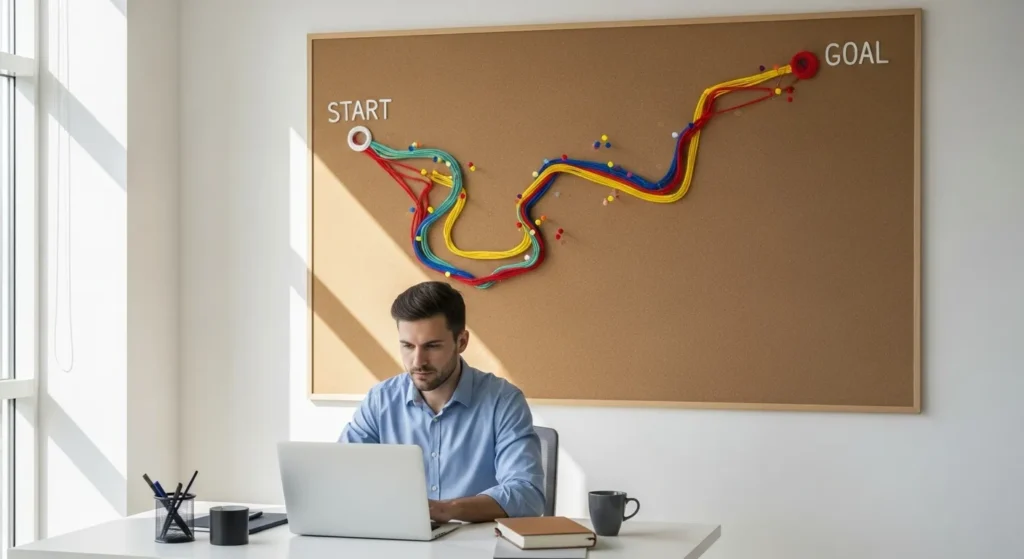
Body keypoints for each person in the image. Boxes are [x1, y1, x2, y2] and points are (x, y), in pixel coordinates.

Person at [339, 281, 546, 523]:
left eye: (432, 346)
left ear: (462, 342)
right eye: (407, 346)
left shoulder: (503, 400)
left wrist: (446, 510)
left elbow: (527, 494)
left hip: (478, 548)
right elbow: (343, 474)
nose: (418, 361)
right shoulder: (380, 400)